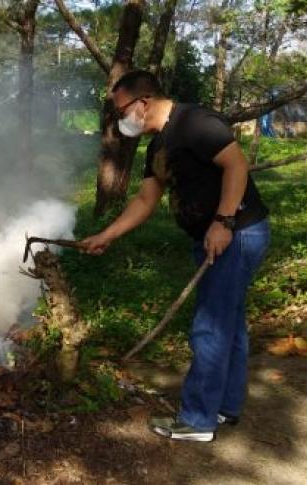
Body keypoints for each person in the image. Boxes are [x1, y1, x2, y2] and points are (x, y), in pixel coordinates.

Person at [81, 70, 270, 442]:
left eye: (122, 111)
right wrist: (107, 235)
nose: (121, 120)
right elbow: (144, 200)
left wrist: (224, 220)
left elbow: (236, 165)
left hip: (238, 233)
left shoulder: (195, 122)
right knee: (229, 323)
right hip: (215, 236)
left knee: (211, 325)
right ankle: (224, 406)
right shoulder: (158, 146)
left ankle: (198, 421)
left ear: (144, 102)